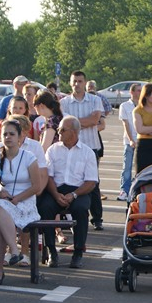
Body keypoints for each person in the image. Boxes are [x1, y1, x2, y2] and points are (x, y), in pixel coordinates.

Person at [37, 116, 98, 269]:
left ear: (74, 132)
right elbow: (48, 176)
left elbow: (91, 182)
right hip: (56, 189)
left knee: (81, 209)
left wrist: (74, 195)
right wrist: (55, 194)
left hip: (78, 191)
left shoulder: (87, 152)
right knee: (45, 207)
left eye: (62, 130)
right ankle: (52, 251)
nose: (59, 132)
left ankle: (78, 252)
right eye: (59, 129)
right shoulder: (53, 150)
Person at [0, 118, 43, 284]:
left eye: (11, 134)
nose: (8, 137)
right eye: (4, 134)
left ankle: (1, 267)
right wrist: (0, 193)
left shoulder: (29, 157)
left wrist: (18, 198)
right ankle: (13, 251)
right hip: (4, 203)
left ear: (20, 137)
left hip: (25, 202)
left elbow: (37, 186)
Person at [60, 71, 104, 231]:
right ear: (70, 83)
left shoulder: (95, 100)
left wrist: (75, 123)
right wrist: (84, 122)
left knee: (93, 183)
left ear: (85, 82)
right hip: (71, 147)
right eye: (74, 81)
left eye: (80, 81)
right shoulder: (64, 102)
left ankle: (97, 218)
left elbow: (94, 120)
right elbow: (67, 124)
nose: (77, 84)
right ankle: (70, 217)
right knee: (71, 181)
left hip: (91, 146)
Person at [117, 83, 141, 201]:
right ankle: (124, 190)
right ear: (132, 92)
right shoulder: (125, 106)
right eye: (138, 90)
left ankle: (137, 190)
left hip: (142, 140)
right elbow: (126, 124)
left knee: (140, 167)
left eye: (141, 90)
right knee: (127, 167)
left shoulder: (143, 105)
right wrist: (131, 139)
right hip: (129, 140)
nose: (140, 93)